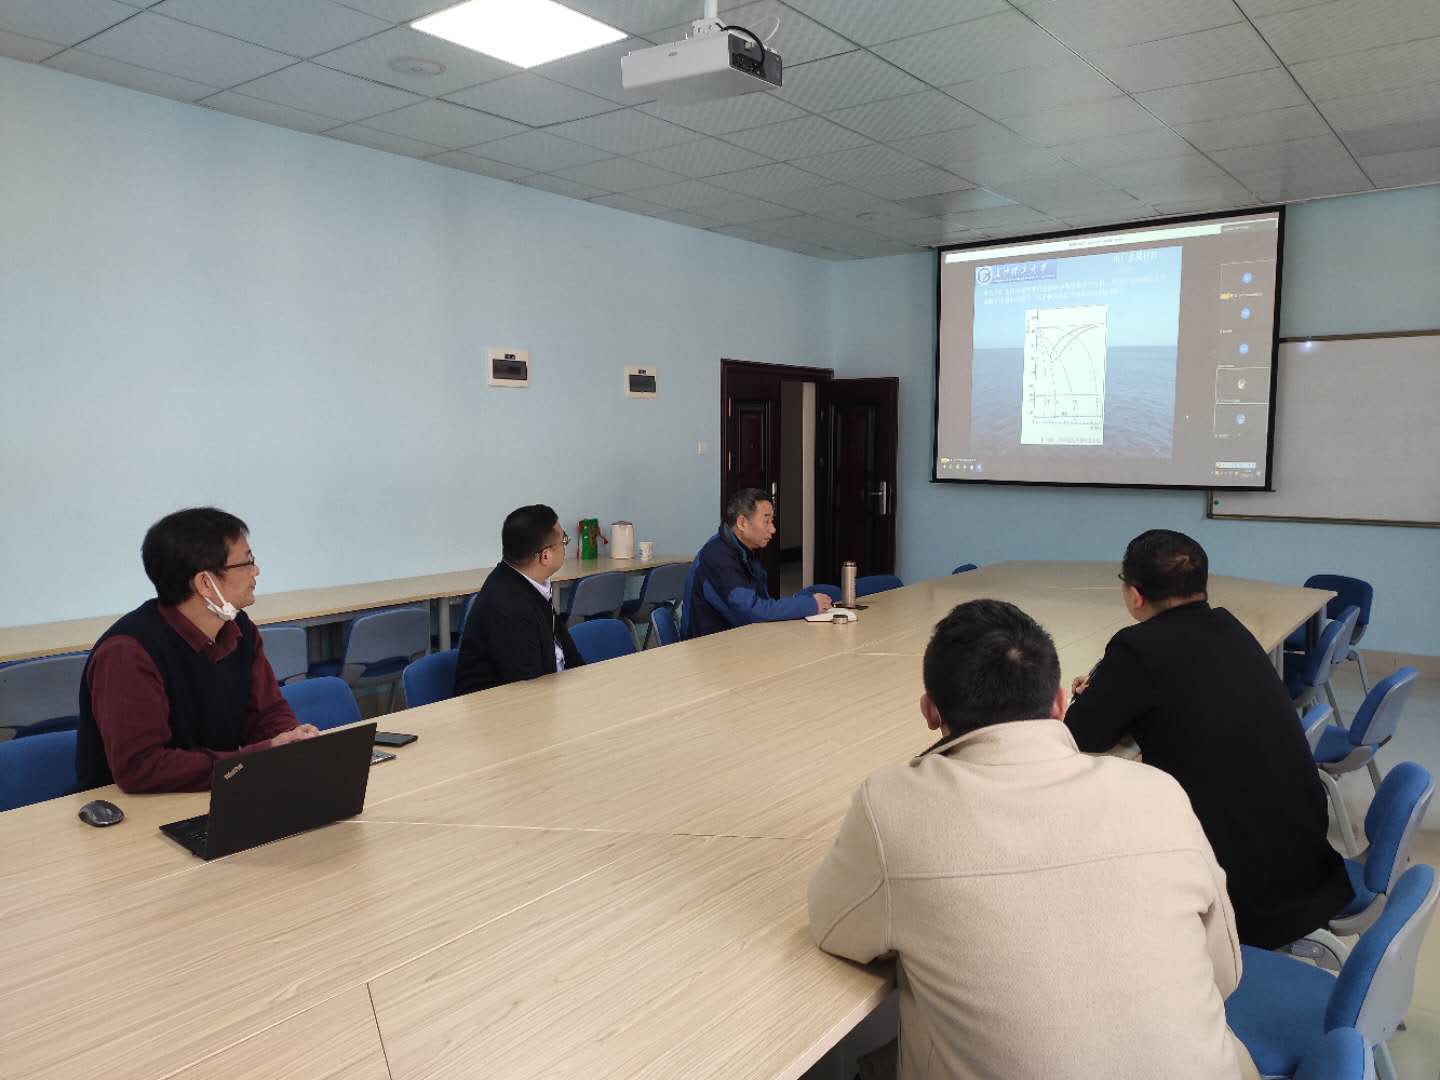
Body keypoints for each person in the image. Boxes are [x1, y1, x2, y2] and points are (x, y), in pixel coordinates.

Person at [808, 599, 1258, 1080]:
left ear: (930, 711)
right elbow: (1224, 974)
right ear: (1060, 704)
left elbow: (834, 929)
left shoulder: (891, 805)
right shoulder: (1159, 792)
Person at [1065, 529, 1352, 949]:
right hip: (1305, 861)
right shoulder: (1230, 628)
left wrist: (1091, 694)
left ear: (1135, 595)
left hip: (1242, 894)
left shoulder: (1138, 648)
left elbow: (1081, 733)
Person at [76, 508, 315, 793]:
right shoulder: (127, 652)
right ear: (205, 583)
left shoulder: (238, 628)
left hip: (214, 790)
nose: (256, 571)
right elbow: (141, 767)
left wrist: (291, 739)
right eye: (247, 562)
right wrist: (258, 757)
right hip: (133, 809)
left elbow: (266, 713)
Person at [454, 504, 584, 696]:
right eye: (563, 541)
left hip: (547, 693)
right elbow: (531, 688)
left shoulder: (529, 582)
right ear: (545, 556)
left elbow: (569, 653)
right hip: (500, 706)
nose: (565, 546)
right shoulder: (508, 606)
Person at [680, 488, 829, 639]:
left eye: (772, 521)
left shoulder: (742, 549)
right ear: (742, 523)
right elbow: (751, 611)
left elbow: (762, 602)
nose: (773, 529)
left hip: (737, 635)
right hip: (709, 645)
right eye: (766, 521)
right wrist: (808, 605)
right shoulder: (718, 556)